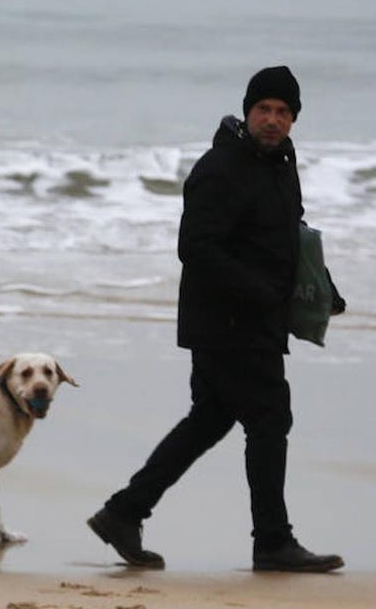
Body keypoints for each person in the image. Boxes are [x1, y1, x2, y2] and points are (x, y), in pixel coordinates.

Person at [87, 66, 345, 573]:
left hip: (250, 320)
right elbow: (195, 248)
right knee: (270, 419)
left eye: (283, 112)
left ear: (294, 119)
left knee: (209, 420)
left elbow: (293, 232)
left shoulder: (280, 164)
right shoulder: (220, 167)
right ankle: (272, 541)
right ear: (248, 112)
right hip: (229, 323)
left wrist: (323, 286)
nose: (272, 120)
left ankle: (123, 512)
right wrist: (260, 295)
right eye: (263, 110)